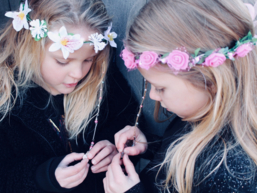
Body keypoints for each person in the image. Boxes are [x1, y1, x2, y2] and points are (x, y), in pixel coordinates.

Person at [103, 0, 257, 192]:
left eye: (160, 88)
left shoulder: (232, 172)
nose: (153, 95)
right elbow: (180, 149)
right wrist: (149, 144)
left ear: (210, 81)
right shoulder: (199, 115)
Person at [0, 0, 137, 192]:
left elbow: (129, 119)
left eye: (88, 59)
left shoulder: (100, 78)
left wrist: (114, 147)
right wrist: (43, 176)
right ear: (30, 46)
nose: (78, 73)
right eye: (62, 61)